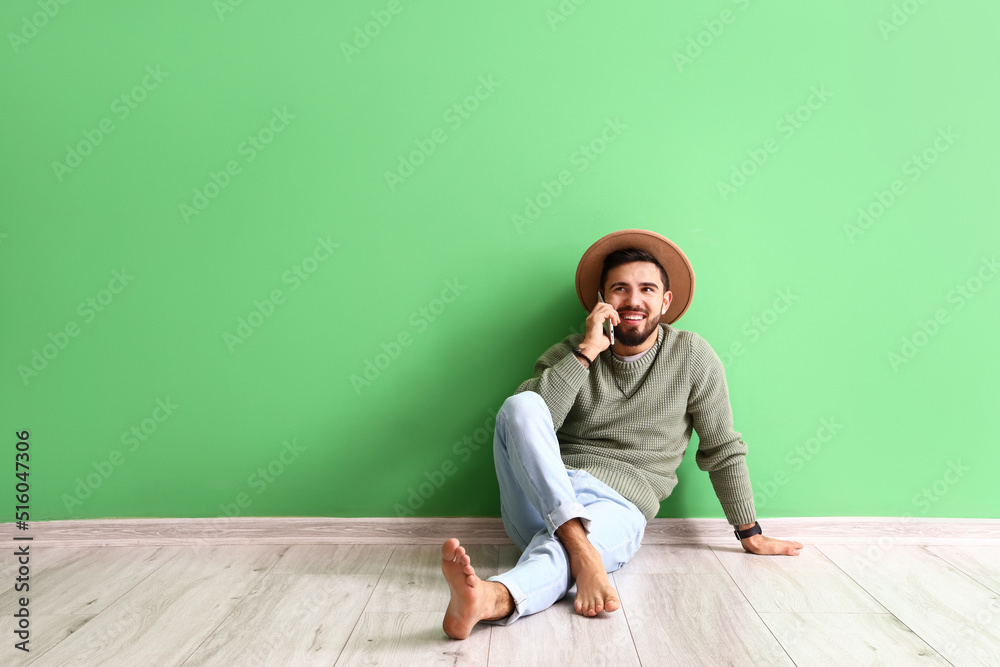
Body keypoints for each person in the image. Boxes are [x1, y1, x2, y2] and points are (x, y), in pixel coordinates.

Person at [441, 229, 804, 640]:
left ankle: (491, 598)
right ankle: (584, 553)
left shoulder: (692, 356)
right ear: (602, 299)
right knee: (520, 404)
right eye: (620, 289)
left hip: (618, 505)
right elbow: (530, 423)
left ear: (665, 301)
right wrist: (587, 352)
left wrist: (749, 533)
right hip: (541, 498)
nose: (633, 301)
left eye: (647, 289)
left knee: (561, 553)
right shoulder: (570, 352)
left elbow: (722, 448)